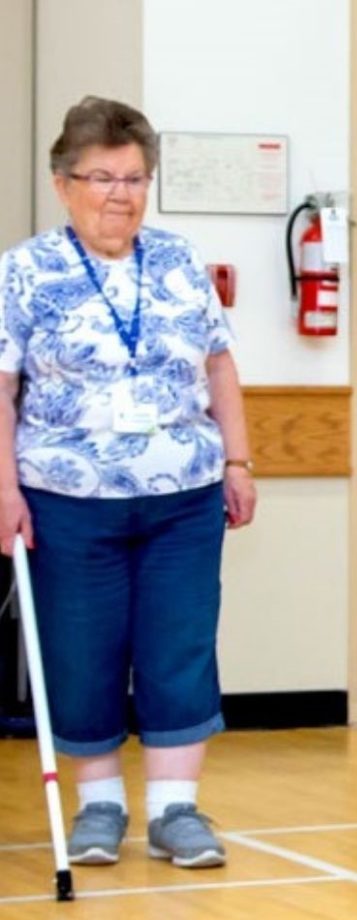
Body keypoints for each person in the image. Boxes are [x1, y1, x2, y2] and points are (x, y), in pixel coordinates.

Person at [0, 96, 256, 869]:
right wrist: (5, 488)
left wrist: (238, 460)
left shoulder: (178, 260)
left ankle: (176, 810)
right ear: (63, 183)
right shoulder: (24, 270)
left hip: (183, 495)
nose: (121, 194)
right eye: (103, 177)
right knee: (83, 650)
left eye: (136, 177)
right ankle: (99, 807)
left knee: (180, 643)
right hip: (67, 499)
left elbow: (219, 366)